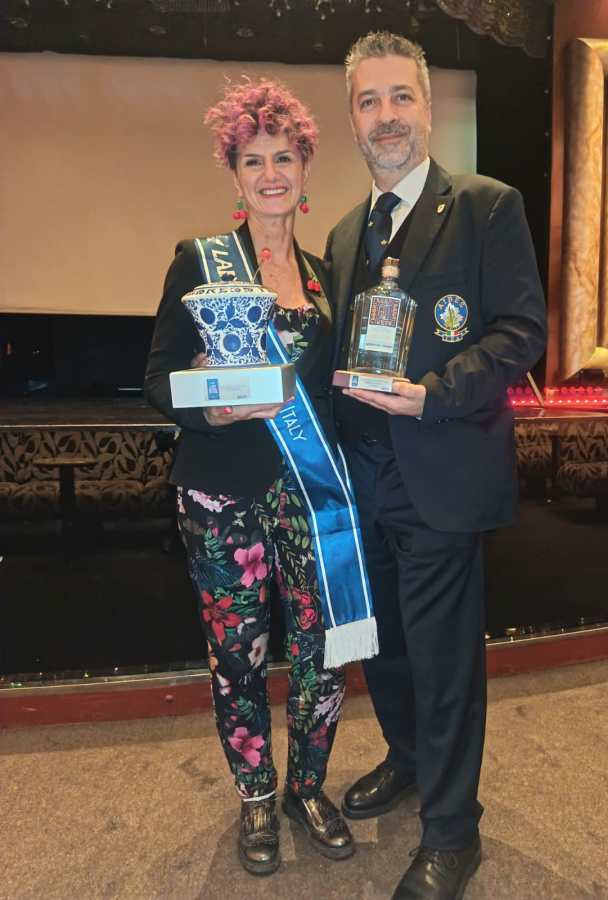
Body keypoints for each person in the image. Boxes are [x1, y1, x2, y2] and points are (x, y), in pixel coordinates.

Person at [325, 32, 548, 900]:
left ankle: (454, 833)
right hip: (362, 482)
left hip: (441, 474)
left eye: (400, 98)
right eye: (368, 101)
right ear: (353, 117)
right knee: (383, 650)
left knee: (445, 659)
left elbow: (519, 332)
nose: (386, 117)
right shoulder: (346, 234)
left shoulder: (488, 205)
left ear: (428, 106)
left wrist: (433, 392)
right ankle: (409, 759)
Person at [145, 79, 377, 876]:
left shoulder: (325, 277)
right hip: (221, 495)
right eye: (254, 160)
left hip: (309, 498)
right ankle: (255, 794)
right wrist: (210, 401)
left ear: (305, 167)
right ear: (234, 173)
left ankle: (307, 786)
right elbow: (156, 381)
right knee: (236, 655)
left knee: (322, 650)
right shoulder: (198, 262)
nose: (271, 172)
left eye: (284, 157)